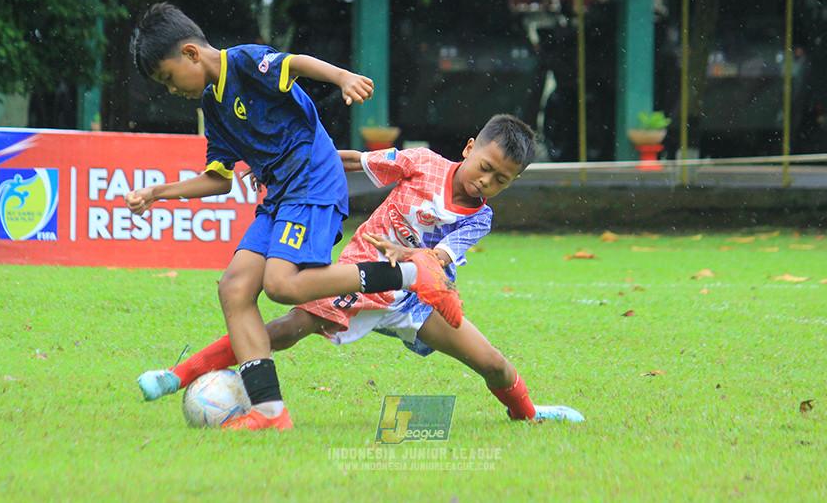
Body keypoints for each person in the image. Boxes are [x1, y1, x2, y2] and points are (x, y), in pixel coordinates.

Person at [126, 3, 461, 432]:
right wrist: (158, 192)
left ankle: (412, 274)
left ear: (191, 53)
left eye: (168, 79)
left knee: (281, 285)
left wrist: (341, 76)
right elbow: (218, 179)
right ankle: (268, 411)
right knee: (234, 287)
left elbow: (295, 64)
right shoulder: (213, 106)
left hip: (312, 179)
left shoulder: (243, 61)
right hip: (279, 196)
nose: (171, 90)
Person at [137, 114, 584, 423]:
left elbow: (440, 260)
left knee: (493, 364)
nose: (486, 182)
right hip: (361, 276)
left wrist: (408, 254)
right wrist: (290, 165)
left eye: (500, 180)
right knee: (287, 329)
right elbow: (353, 161)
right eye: (485, 168)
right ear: (469, 148)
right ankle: (177, 376)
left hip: (415, 299)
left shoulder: (479, 216)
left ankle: (529, 414)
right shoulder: (423, 163)